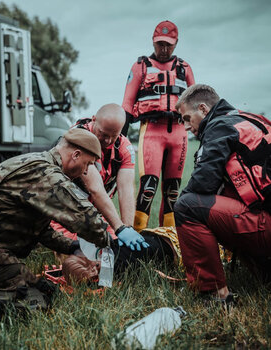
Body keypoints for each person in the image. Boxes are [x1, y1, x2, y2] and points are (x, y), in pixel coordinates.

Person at [0, 128, 114, 292]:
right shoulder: (46, 174)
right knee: (28, 292)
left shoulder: (34, 161)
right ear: (76, 155)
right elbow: (84, 218)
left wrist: (71, 246)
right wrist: (111, 243)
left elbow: (38, 229)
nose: (85, 171)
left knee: (36, 283)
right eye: (87, 164)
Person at [174, 84, 271, 303]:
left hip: (266, 224)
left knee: (187, 206)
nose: (187, 127)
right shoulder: (250, 118)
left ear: (204, 109)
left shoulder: (219, 126)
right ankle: (264, 270)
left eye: (188, 118)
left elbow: (202, 183)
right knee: (225, 197)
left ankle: (213, 293)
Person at [122, 20, 195, 231]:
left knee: (173, 191)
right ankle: (137, 237)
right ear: (153, 42)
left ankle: (168, 240)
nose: (163, 49)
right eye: (159, 44)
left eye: (168, 45)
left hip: (179, 134)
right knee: (148, 188)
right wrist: (122, 137)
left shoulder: (185, 68)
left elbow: (197, 104)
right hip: (151, 131)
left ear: (176, 43)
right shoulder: (140, 66)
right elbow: (127, 103)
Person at [51, 103, 148, 251]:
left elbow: (126, 190)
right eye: (103, 134)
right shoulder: (78, 138)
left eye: (113, 136)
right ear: (93, 119)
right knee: (81, 251)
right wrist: (119, 228)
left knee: (113, 245)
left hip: (92, 213)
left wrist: (126, 227)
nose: (107, 141)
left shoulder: (124, 147)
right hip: (64, 211)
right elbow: (95, 189)